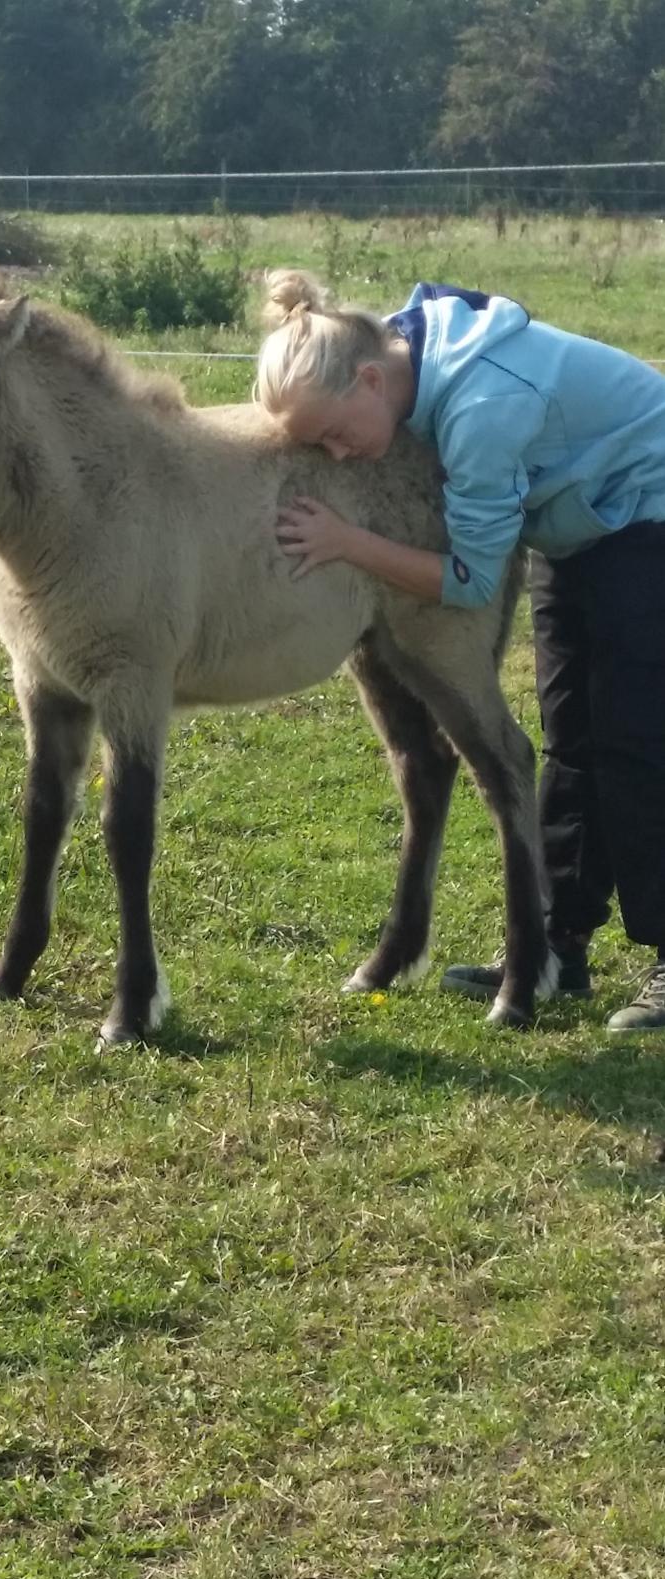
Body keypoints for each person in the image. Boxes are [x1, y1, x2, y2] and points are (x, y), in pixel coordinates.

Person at [255, 269, 665, 1031]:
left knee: (638, 737)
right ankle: (557, 943)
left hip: (651, 517)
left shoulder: (483, 408)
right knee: (571, 731)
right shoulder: (387, 349)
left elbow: (470, 582)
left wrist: (349, 542)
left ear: (373, 382)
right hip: (578, 524)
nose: (340, 457)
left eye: (337, 435)